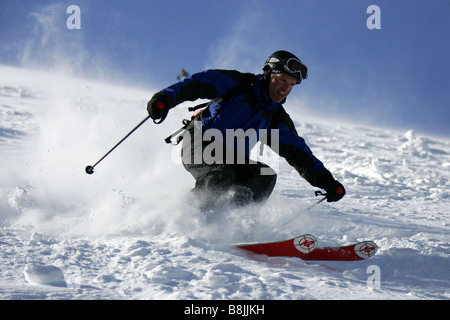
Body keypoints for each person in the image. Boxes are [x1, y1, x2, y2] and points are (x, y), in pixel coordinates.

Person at [147, 50, 345, 210]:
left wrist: (327, 182)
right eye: (283, 80)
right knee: (221, 174)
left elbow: (299, 153)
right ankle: (186, 215)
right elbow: (198, 84)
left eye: (292, 84)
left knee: (264, 177)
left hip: (230, 156)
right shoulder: (240, 85)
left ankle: (233, 224)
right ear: (268, 74)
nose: (287, 88)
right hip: (199, 140)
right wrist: (164, 98)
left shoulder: (274, 116)